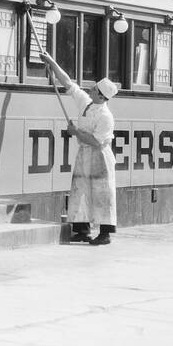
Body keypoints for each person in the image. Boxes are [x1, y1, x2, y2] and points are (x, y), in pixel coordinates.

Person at [39, 50, 118, 245]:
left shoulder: (106, 117)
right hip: (84, 155)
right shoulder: (87, 103)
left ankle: (105, 233)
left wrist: (75, 132)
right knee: (80, 189)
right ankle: (82, 230)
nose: (89, 90)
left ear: (101, 95)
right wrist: (51, 62)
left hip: (100, 157)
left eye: (94, 89)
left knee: (102, 192)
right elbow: (68, 84)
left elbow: (97, 141)